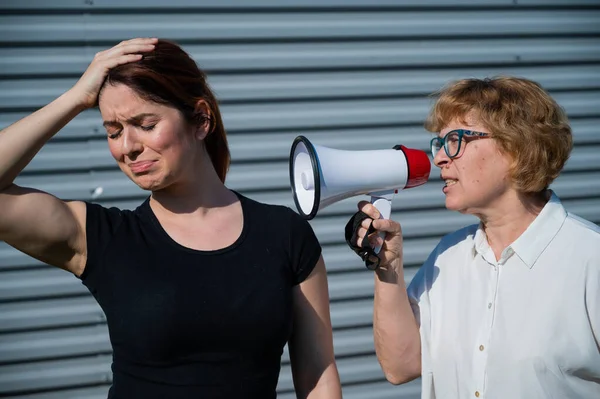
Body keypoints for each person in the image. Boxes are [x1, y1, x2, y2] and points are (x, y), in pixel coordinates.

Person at [0, 38, 342, 399]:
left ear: (201, 119)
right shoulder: (102, 238)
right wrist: (76, 98)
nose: (127, 146)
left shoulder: (285, 235)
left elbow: (318, 374)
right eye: (113, 131)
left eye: (145, 124)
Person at [349, 76, 600, 398]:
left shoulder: (589, 258)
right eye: (439, 144)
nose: (439, 158)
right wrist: (387, 268)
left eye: (455, 140)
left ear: (516, 147)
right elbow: (401, 366)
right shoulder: (448, 255)